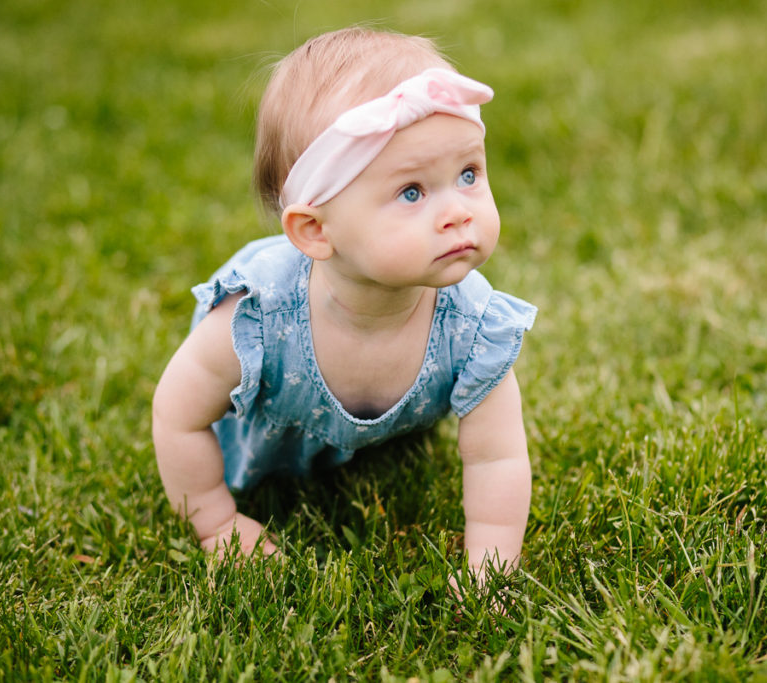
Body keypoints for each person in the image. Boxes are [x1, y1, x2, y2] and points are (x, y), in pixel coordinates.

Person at [151, 27, 537, 586]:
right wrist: (216, 523)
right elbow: (177, 415)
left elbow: (497, 458)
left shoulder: (473, 326)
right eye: (412, 191)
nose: (458, 210)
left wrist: (489, 573)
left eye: (468, 174)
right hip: (267, 446)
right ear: (313, 230)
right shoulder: (257, 316)